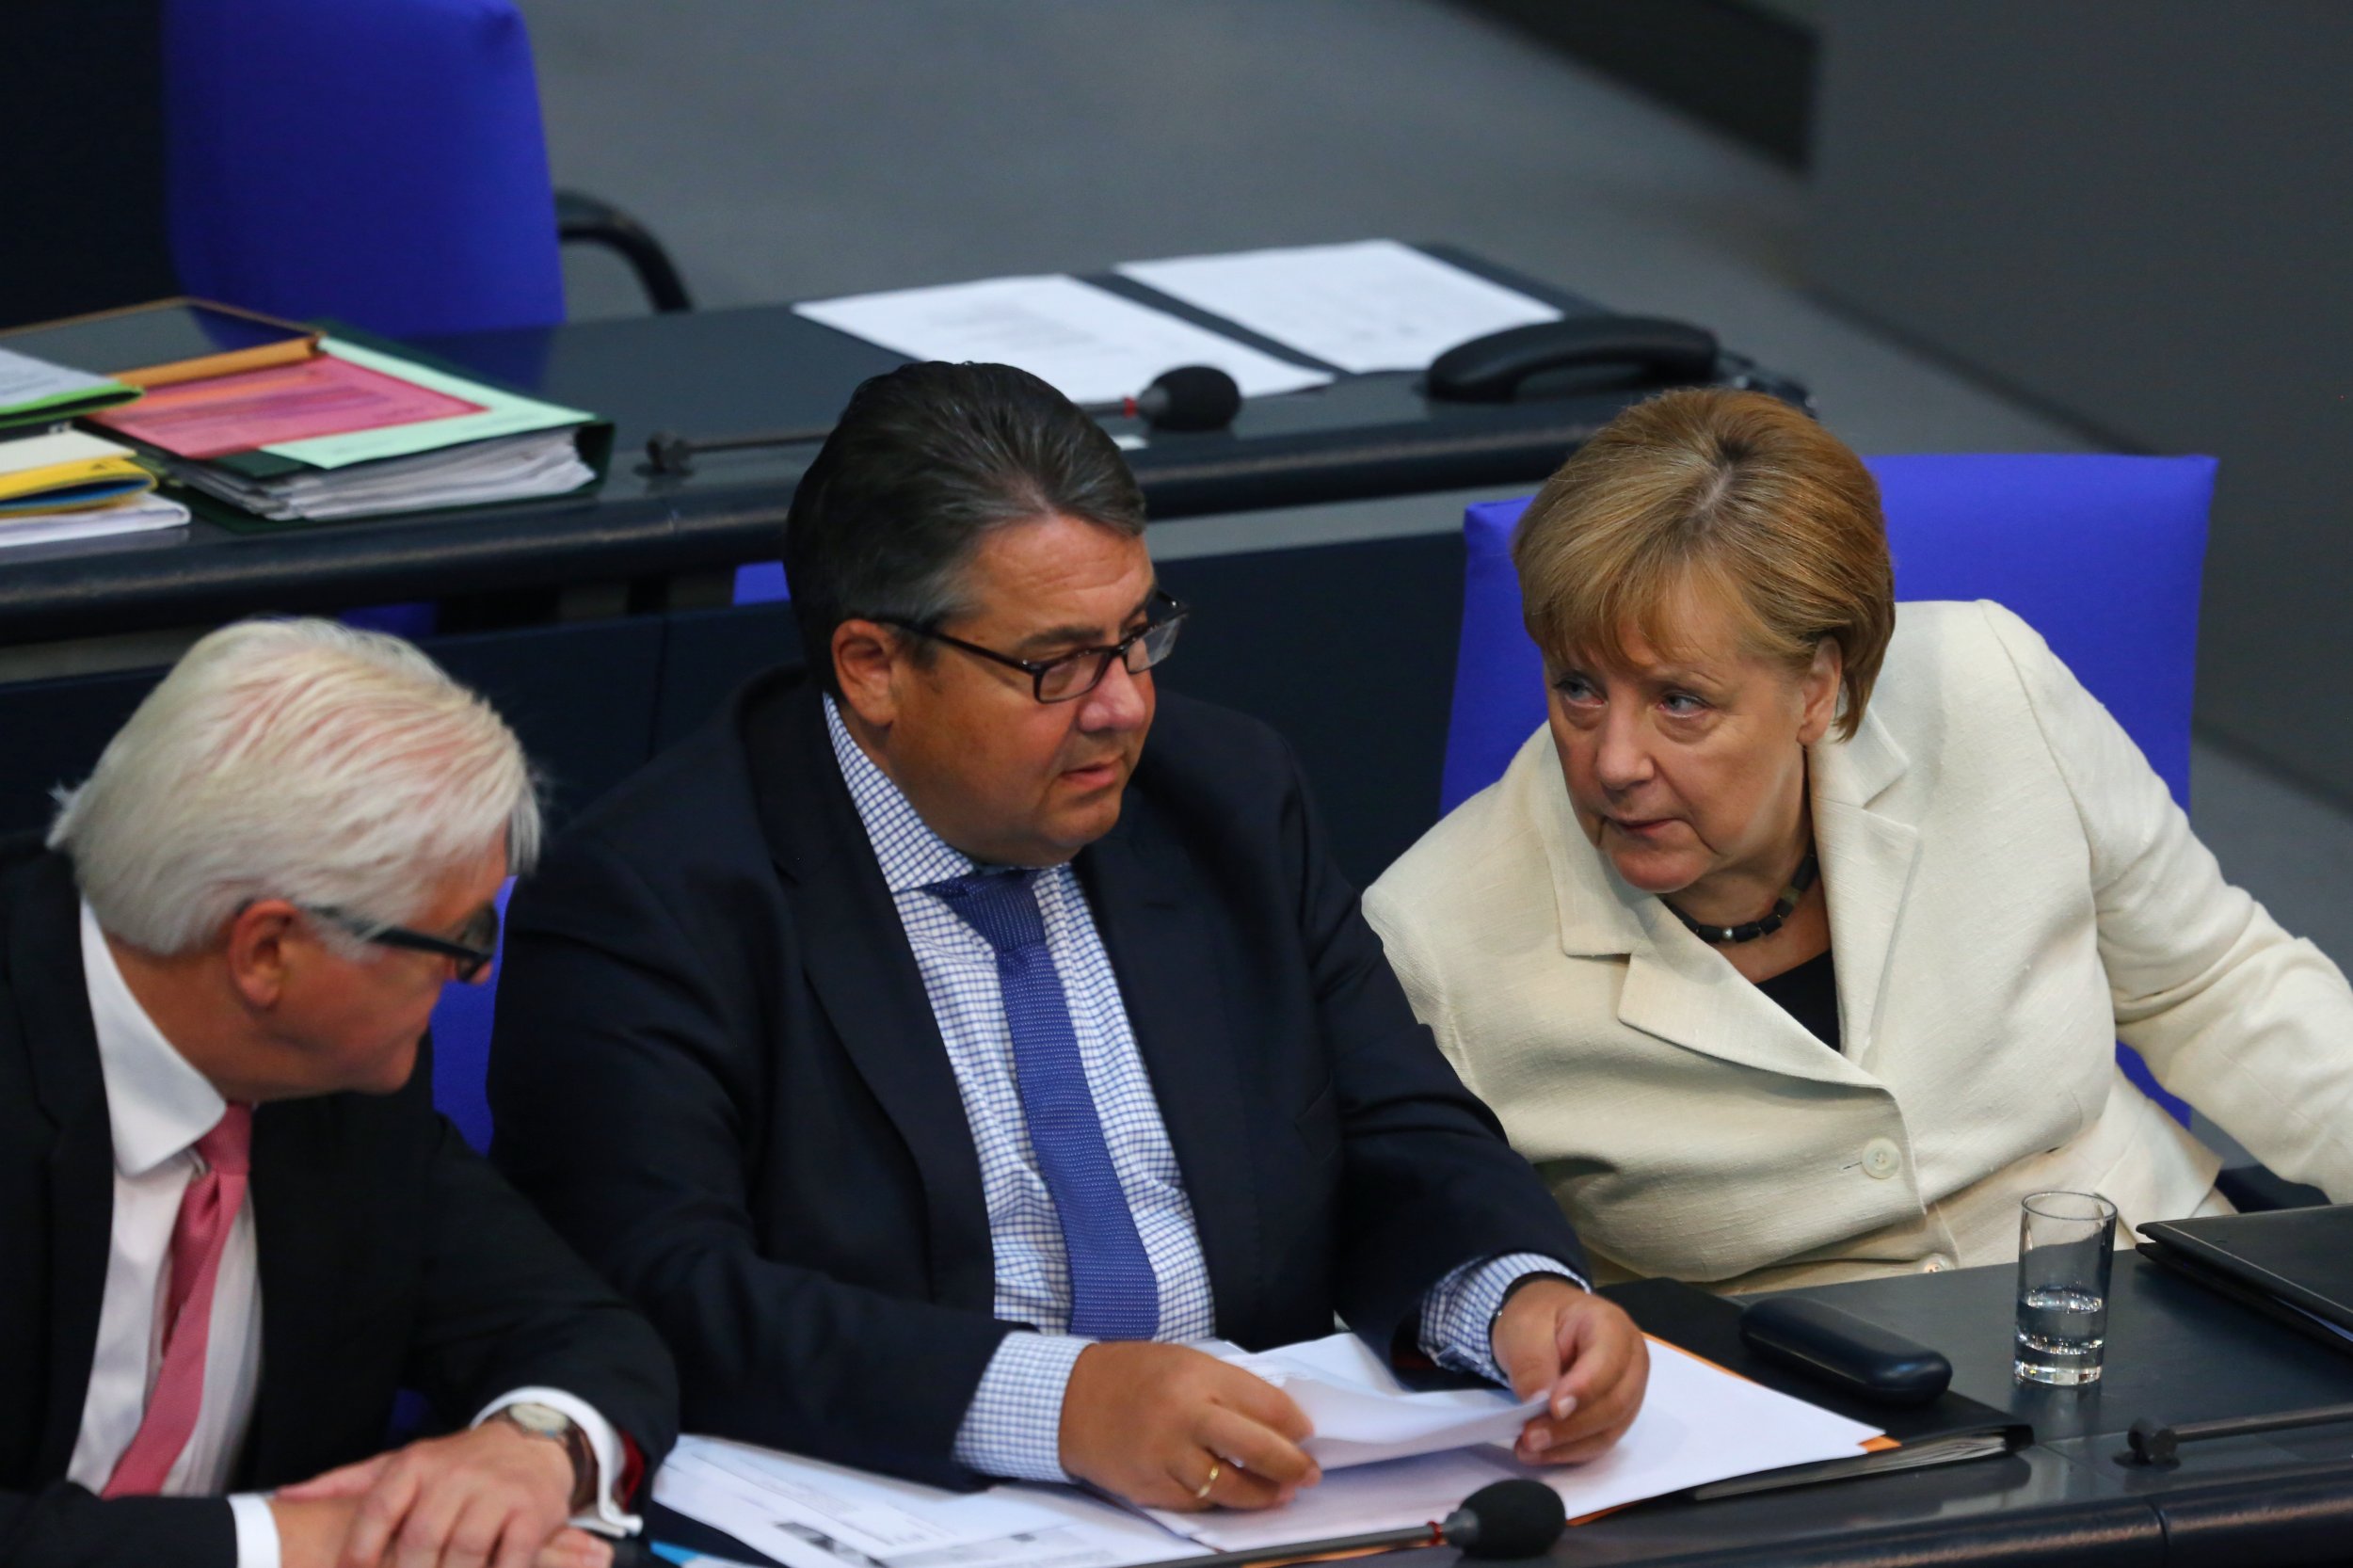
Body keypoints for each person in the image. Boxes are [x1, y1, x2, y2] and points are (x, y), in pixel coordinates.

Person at [488, 360, 1647, 1511]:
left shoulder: (1224, 796)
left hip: (1281, 1502)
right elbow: (661, 1287)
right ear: (874, 667)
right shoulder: (657, 893)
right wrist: (1061, 1403)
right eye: (1056, 663)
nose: (1123, 703)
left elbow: (1394, 1124)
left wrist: (1505, 1297)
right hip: (907, 1511)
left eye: (1137, 633)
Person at [1366, 387, 2353, 1294]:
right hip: (1795, 1413)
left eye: (1679, 702)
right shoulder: (1433, 938)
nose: (1613, 759)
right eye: (1578, 686)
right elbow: (1436, 1260)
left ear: (1815, 687)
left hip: (2144, 1290)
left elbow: (2213, 983)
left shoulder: (1986, 685)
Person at [0, 619, 678, 1568]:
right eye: (460, 936)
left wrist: (527, 1447)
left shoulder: (340, 1078)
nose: (478, 976)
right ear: (268, 951)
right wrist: (303, 1544)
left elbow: (571, 1323)